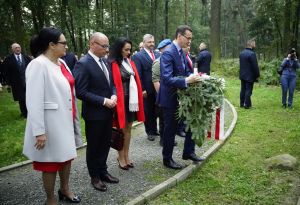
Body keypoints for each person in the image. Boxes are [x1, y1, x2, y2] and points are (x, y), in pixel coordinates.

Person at [23, 26, 83, 205]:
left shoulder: (61, 62)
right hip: (50, 125)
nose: (66, 46)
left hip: (66, 121)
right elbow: (33, 101)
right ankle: (50, 199)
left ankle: (65, 189)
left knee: (66, 158)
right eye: (63, 43)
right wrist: (39, 131)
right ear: (51, 44)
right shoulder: (37, 64)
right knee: (50, 164)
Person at [73, 32, 119, 192]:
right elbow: (81, 91)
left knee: (106, 143)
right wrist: (104, 101)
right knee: (94, 146)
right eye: (104, 46)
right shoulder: (83, 63)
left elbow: (111, 83)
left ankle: (103, 171)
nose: (107, 50)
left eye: (108, 46)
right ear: (92, 44)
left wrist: (113, 94)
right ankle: (95, 177)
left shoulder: (105, 61)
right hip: (94, 114)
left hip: (107, 112)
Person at [157, 25, 204, 170]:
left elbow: (185, 71)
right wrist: (186, 81)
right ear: (179, 36)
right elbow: (166, 78)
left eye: (191, 38)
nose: (190, 41)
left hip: (181, 97)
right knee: (170, 130)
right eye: (188, 38)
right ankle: (167, 159)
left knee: (190, 123)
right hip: (170, 98)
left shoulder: (181, 52)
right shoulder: (168, 53)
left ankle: (188, 152)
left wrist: (195, 77)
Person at [109, 37, 145, 170]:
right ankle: (120, 156)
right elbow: (112, 83)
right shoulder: (112, 63)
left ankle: (126, 154)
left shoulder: (129, 61)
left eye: (130, 49)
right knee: (121, 129)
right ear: (119, 49)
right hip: (120, 100)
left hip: (131, 100)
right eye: (126, 50)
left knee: (129, 128)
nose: (129, 52)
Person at [132, 34, 160, 141]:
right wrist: (142, 89)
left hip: (157, 88)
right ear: (143, 43)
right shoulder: (138, 56)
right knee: (148, 111)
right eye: (149, 42)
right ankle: (150, 132)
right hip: (146, 89)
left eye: (153, 42)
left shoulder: (158, 54)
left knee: (156, 110)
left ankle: (155, 129)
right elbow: (137, 74)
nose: (152, 44)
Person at [152, 39, 178, 147]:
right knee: (163, 119)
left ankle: (168, 139)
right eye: (169, 47)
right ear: (163, 49)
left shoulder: (169, 59)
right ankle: (163, 139)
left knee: (168, 119)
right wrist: (161, 95)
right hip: (162, 95)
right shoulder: (158, 62)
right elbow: (155, 80)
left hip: (170, 94)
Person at [3, 43, 31, 117]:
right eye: (15, 48)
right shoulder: (8, 59)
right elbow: (6, 71)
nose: (18, 49)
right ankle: (24, 113)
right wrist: (8, 83)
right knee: (21, 98)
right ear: (12, 49)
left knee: (28, 97)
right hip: (16, 82)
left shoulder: (26, 57)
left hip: (27, 81)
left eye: (19, 47)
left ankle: (30, 111)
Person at [239, 39, 260, 109]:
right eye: (254, 44)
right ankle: (246, 105)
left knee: (243, 90)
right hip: (250, 75)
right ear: (251, 44)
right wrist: (257, 75)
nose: (255, 45)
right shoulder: (252, 54)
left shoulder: (241, 53)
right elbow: (255, 66)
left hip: (242, 75)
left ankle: (242, 103)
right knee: (248, 90)